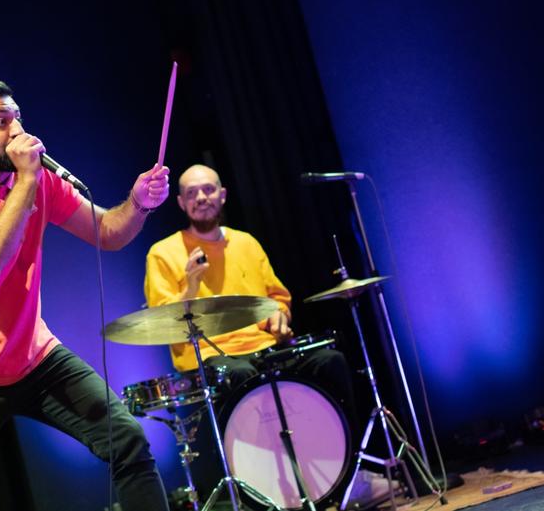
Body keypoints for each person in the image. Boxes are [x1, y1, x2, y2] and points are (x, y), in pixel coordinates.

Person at [0, 79, 171, 511]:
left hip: (34, 358)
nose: (16, 130)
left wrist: (140, 203)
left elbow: (107, 231)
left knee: (127, 439)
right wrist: (28, 180)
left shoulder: (37, 181)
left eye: (17, 118)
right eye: (0, 121)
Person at [144, 164, 396, 508]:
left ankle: (347, 479)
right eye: (191, 193)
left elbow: (277, 299)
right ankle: (260, 495)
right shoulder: (163, 253)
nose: (201, 197)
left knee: (330, 362)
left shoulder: (245, 243)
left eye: (208, 189)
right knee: (239, 375)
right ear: (180, 202)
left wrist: (280, 316)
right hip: (213, 358)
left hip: (263, 347)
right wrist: (190, 283)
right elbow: (164, 322)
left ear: (222, 195)